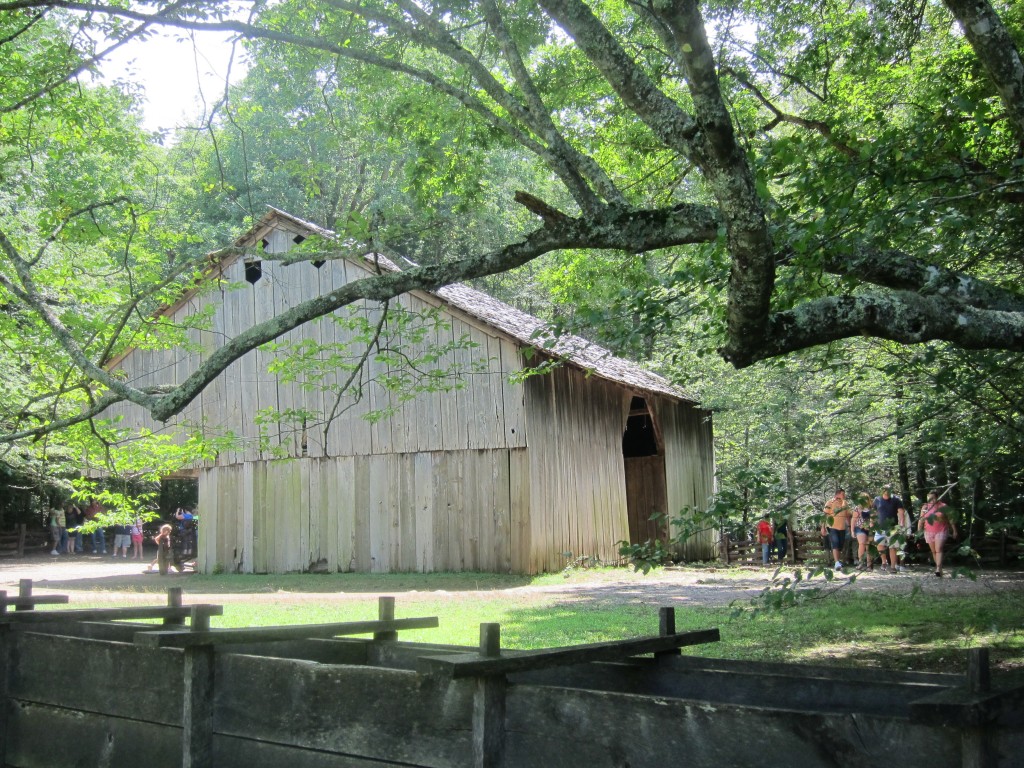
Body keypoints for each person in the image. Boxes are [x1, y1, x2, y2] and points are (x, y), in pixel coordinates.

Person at [918, 491, 958, 577]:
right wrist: (919, 530)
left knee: (938, 549)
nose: (931, 499)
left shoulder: (943, 506)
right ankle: (939, 568)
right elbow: (921, 519)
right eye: (929, 498)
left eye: (933, 497)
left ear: (937, 497)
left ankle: (937, 568)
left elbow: (951, 519)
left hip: (941, 530)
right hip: (928, 531)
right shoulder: (925, 507)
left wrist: (954, 530)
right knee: (933, 551)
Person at [873, 485, 907, 573]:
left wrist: (901, 524)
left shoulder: (896, 499)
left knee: (893, 547)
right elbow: (874, 513)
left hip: (893, 528)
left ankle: (893, 567)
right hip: (880, 528)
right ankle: (884, 561)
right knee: (879, 544)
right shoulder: (877, 499)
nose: (887, 491)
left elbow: (901, 512)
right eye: (885, 489)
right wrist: (872, 523)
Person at [821, 488, 852, 571]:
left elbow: (848, 515)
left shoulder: (845, 503)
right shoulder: (830, 502)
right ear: (837, 494)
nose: (844, 496)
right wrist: (823, 527)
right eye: (843, 494)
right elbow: (825, 515)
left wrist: (849, 527)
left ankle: (838, 561)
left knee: (840, 545)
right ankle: (837, 562)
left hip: (842, 527)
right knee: (835, 542)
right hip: (831, 527)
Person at [851, 493, 874, 570]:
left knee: (869, 546)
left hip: (870, 529)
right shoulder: (857, 508)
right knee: (862, 543)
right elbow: (853, 520)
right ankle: (861, 563)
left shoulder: (872, 508)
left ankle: (869, 565)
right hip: (860, 528)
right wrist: (852, 531)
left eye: (866, 498)